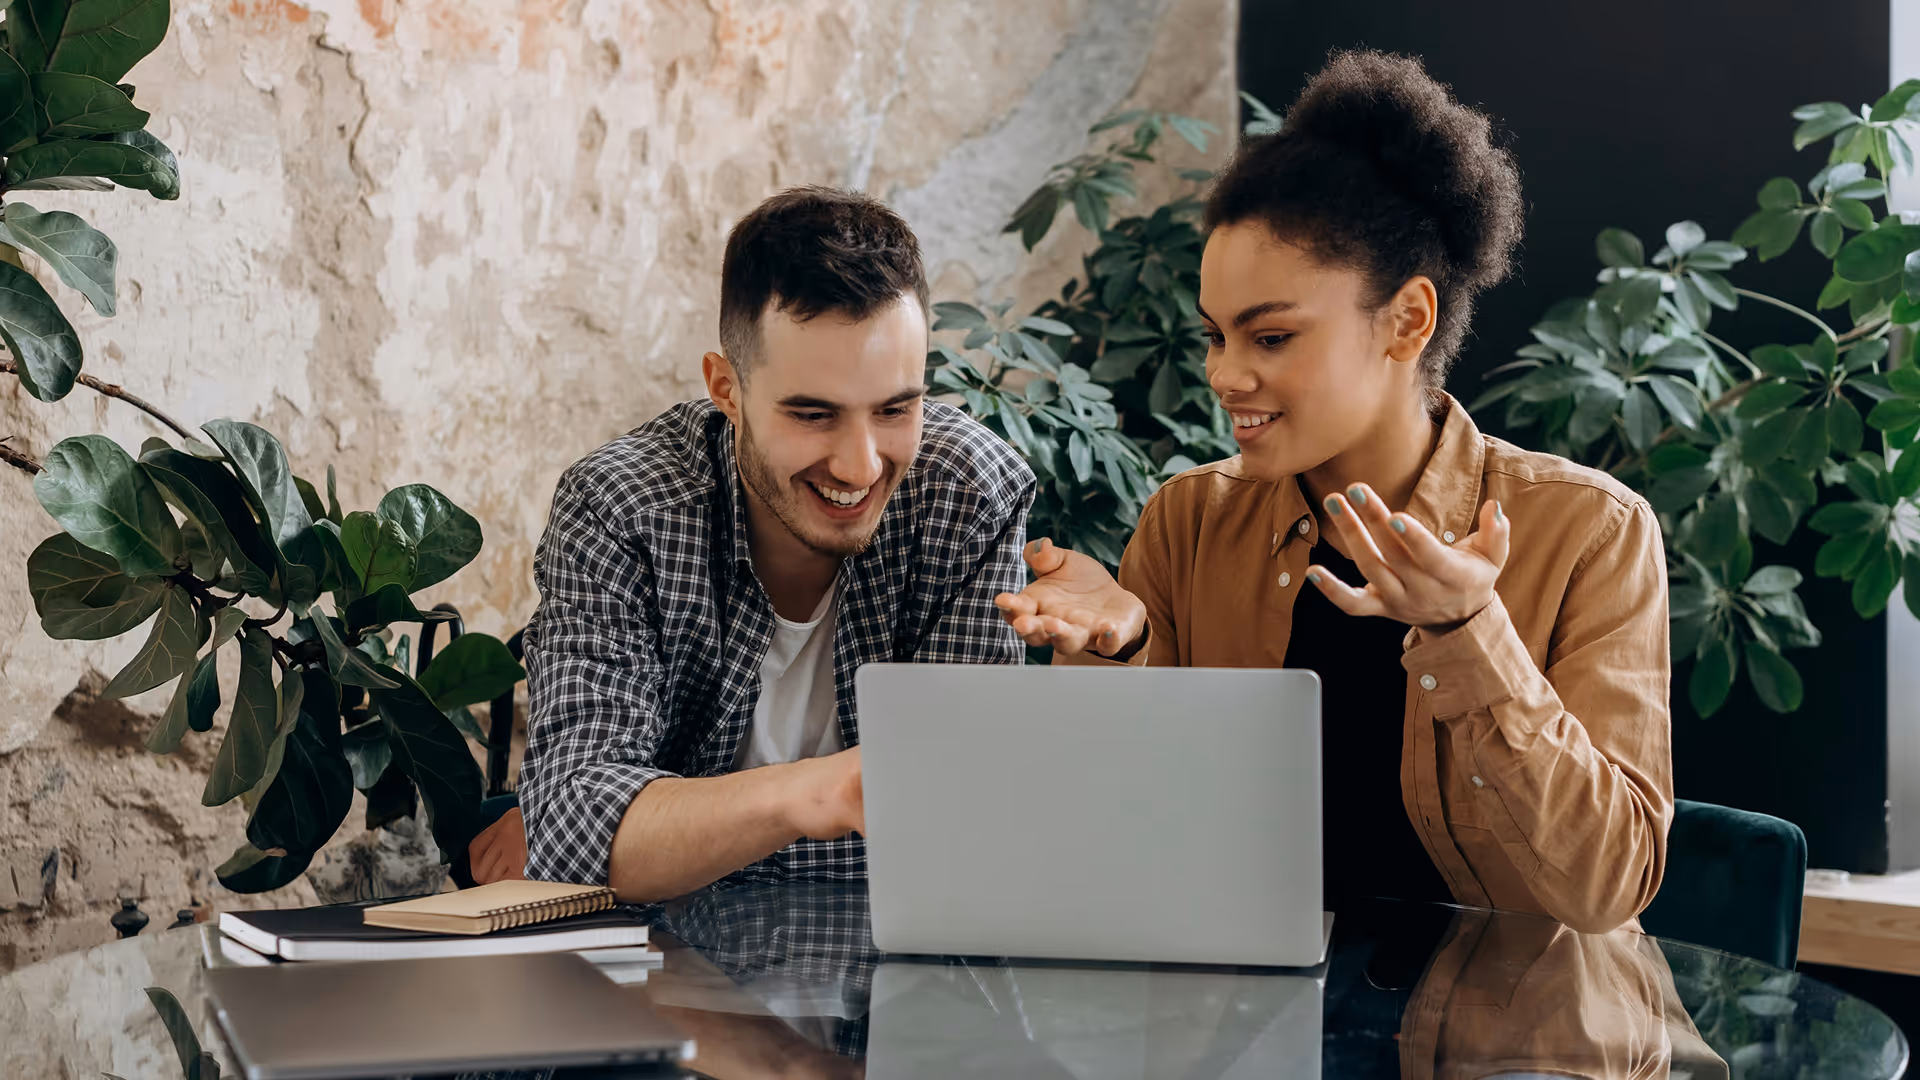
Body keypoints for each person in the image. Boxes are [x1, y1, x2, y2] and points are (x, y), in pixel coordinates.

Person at [995, 51, 1672, 933]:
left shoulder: (1589, 532)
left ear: (1408, 320)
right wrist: (1120, 652)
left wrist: (1471, 633)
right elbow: (1104, 850)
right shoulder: (1188, 522)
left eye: (1270, 338)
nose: (1225, 375)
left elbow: (1607, 890)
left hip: (1516, 1055)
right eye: (1215, 336)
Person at [470, 187, 1036, 898]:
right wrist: (825, 791)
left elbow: (962, 830)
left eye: (896, 408)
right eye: (812, 413)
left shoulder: (970, 494)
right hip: (660, 989)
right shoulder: (623, 507)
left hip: (899, 981)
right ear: (726, 390)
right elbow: (577, 829)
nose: (860, 466)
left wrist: (661, 831)